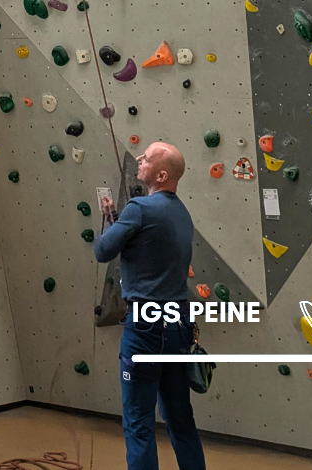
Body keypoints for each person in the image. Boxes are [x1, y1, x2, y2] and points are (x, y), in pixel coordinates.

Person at [94, 142, 205, 470]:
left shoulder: (139, 208)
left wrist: (109, 220)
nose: (140, 159)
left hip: (145, 327)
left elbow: (103, 251)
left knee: (138, 422)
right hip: (178, 324)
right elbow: (144, 244)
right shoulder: (182, 214)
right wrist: (116, 217)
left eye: (147, 157)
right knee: (180, 418)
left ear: (161, 175)